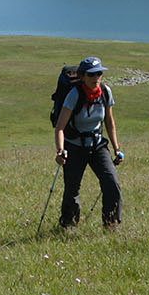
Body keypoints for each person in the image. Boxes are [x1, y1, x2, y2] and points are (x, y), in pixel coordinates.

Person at [54, 56, 123, 229]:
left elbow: (109, 122)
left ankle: (111, 224)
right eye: (91, 75)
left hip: (97, 145)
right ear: (82, 76)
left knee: (111, 181)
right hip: (74, 146)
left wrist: (116, 149)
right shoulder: (74, 95)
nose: (96, 78)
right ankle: (69, 225)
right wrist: (60, 151)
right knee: (72, 189)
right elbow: (60, 127)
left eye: (99, 74)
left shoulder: (106, 92)